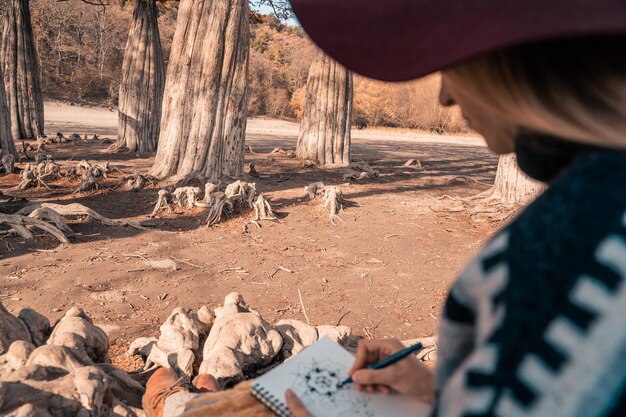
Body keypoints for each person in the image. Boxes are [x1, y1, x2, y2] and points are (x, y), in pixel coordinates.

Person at [143, 1, 626, 416]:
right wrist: (432, 388)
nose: (445, 94)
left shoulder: (579, 240)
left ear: (513, 59)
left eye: (453, 61)